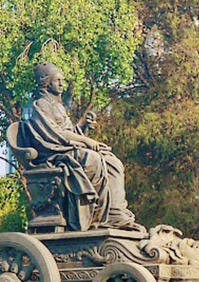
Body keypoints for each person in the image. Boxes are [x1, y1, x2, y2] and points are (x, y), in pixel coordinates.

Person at [20, 61, 140, 230]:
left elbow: (69, 131)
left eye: (62, 80)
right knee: (93, 159)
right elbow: (56, 135)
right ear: (46, 83)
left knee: (112, 162)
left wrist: (83, 127)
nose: (61, 84)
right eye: (57, 80)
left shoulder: (58, 106)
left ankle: (114, 212)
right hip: (54, 153)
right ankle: (94, 214)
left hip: (68, 148)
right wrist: (88, 142)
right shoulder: (41, 105)